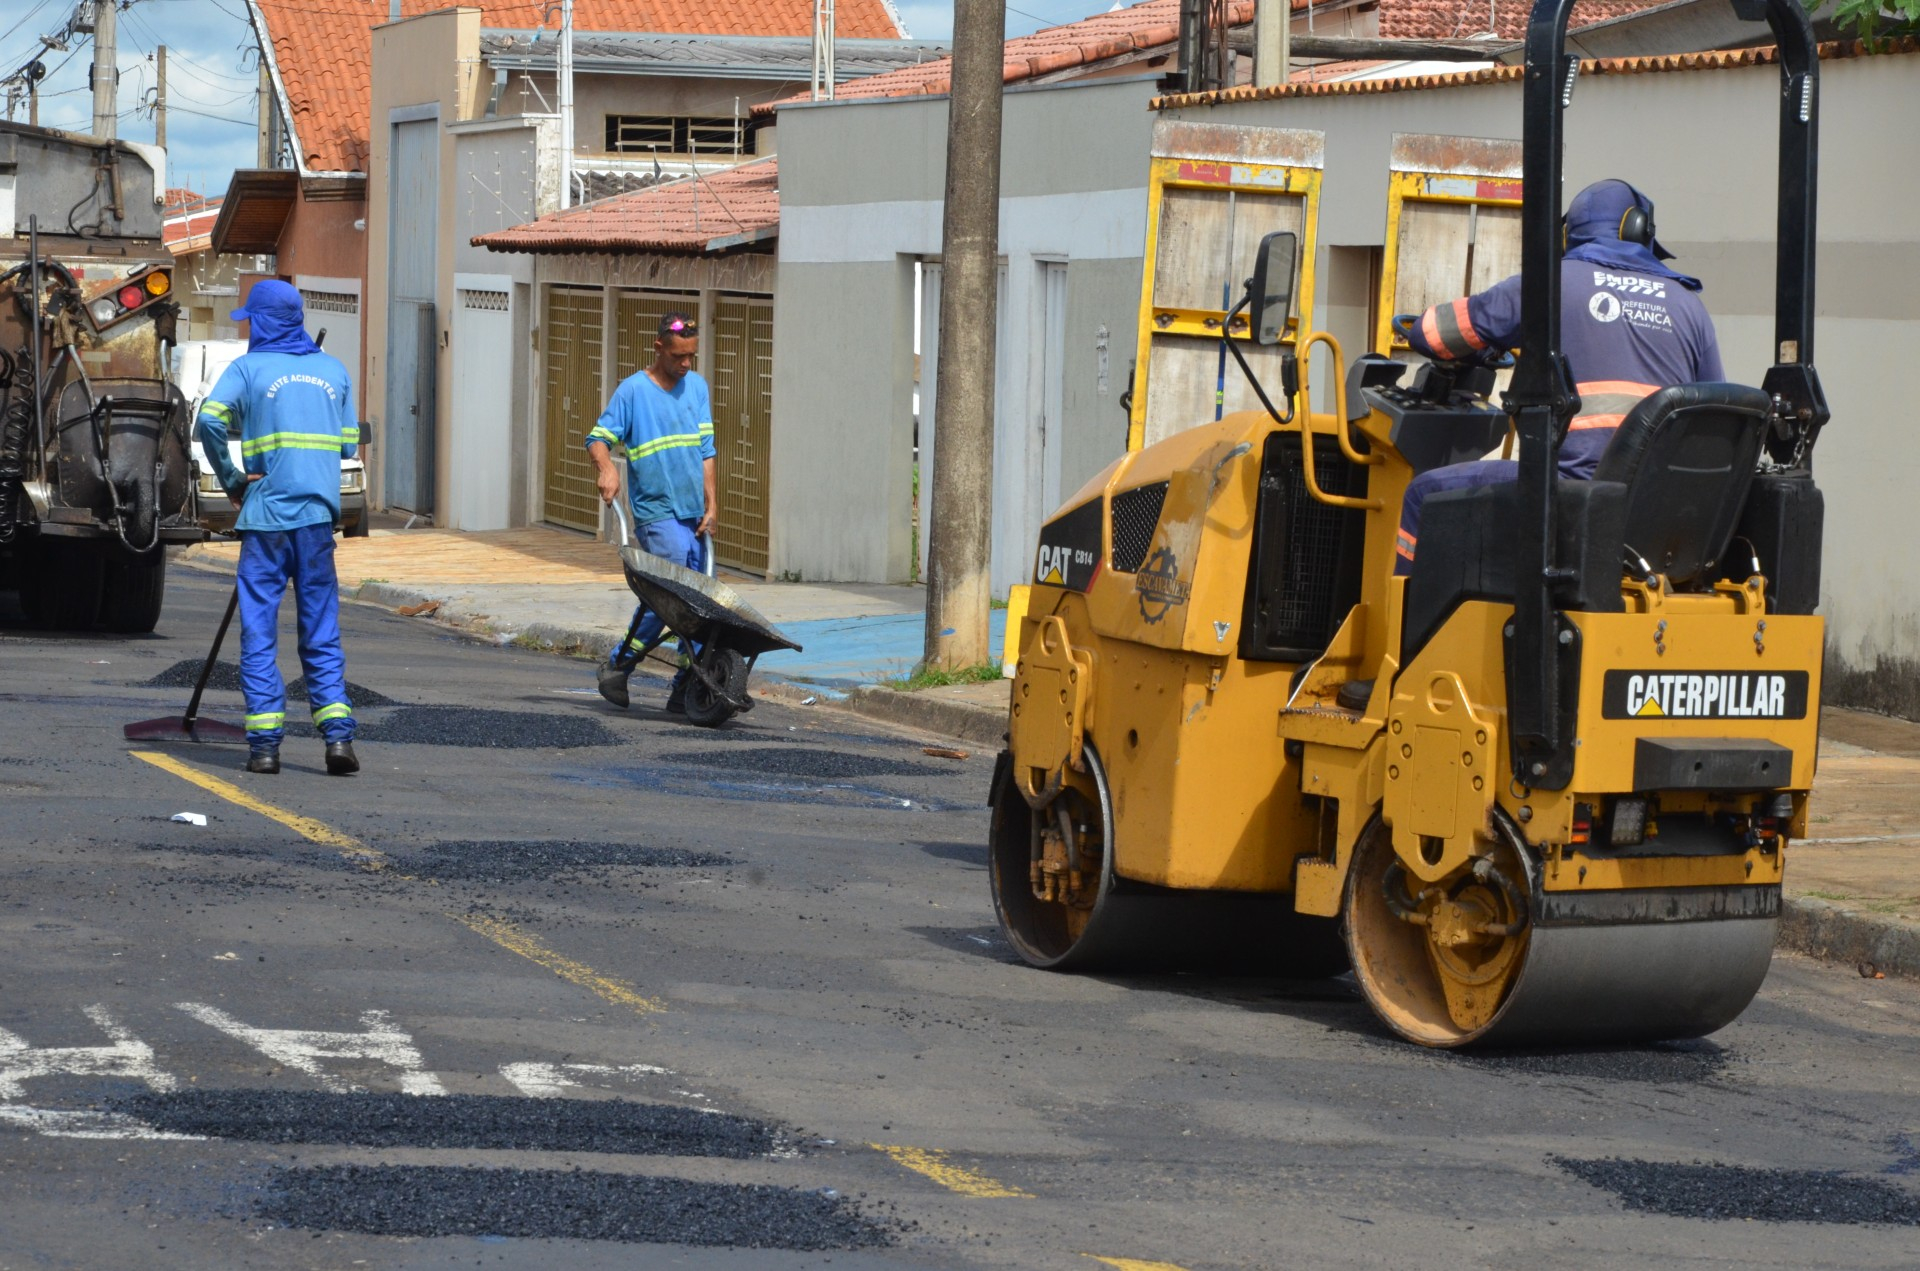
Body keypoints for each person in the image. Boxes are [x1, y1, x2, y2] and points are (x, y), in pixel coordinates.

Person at [1395, 179, 1724, 574]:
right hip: (1659, 512)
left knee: (1421, 496)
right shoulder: (1691, 306)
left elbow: (1432, 335)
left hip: (1569, 489)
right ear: (1638, 229)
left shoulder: (1547, 285)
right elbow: (1712, 414)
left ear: (1568, 234)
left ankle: (1407, 631)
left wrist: (1476, 341)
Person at [195, 280, 360, 776]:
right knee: (321, 632)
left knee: (260, 633)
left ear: (264, 323)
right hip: (315, 523)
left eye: (252, 321)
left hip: (266, 521)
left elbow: (209, 421)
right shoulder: (334, 370)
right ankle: (338, 741)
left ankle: (265, 747)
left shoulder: (248, 369)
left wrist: (231, 480)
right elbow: (349, 445)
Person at [588, 312, 718, 713]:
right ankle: (619, 663)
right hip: (657, 512)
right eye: (679, 356)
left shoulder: (696, 387)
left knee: (699, 601)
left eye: (692, 356)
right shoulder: (632, 392)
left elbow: (706, 452)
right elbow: (598, 439)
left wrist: (713, 503)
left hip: (693, 511)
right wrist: (608, 468)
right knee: (672, 590)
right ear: (659, 346)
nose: (686, 364)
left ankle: (686, 685)